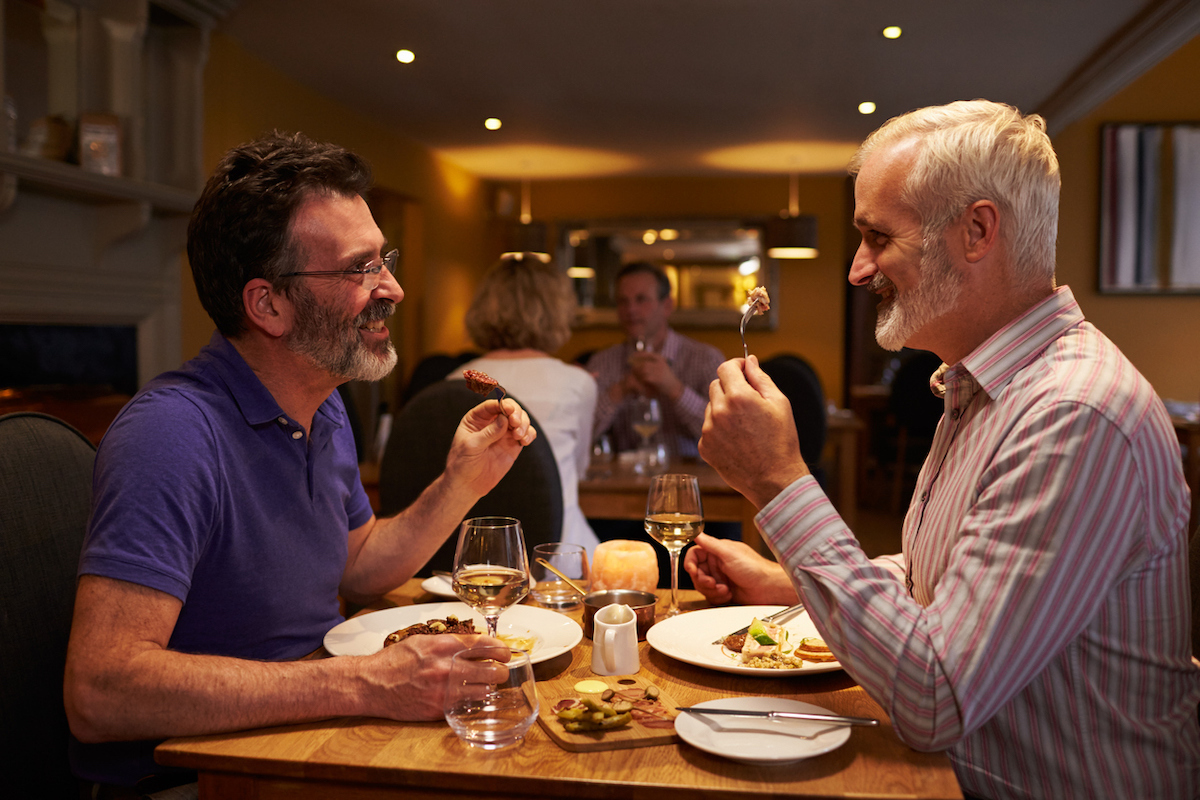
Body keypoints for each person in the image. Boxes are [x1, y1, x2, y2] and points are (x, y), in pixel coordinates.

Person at [684, 101, 1200, 799]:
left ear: (977, 231)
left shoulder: (1072, 414)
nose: (859, 270)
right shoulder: (983, 383)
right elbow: (949, 584)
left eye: (877, 237)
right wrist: (787, 582)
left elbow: (937, 697)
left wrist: (778, 481)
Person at [63, 132, 535, 790]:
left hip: (311, 742)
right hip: (202, 779)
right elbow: (100, 692)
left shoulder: (323, 403)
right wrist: (364, 682)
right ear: (268, 305)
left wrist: (461, 482)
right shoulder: (171, 433)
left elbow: (359, 565)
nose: (393, 289)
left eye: (384, 260)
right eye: (360, 268)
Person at [450, 253, 600, 554]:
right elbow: (581, 470)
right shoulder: (577, 382)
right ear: (557, 311)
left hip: (478, 551)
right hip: (562, 555)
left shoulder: (454, 381)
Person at [586, 262, 723, 459]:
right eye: (623, 301)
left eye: (641, 300)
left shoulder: (705, 359)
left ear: (667, 306)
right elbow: (583, 435)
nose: (631, 309)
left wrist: (675, 389)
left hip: (693, 482)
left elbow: (725, 434)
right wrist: (619, 391)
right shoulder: (602, 362)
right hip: (622, 485)